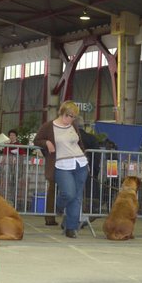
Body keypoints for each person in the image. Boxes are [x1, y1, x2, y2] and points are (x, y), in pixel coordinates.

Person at [34, 101, 88, 238]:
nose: (71, 119)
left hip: (80, 164)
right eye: (69, 116)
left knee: (76, 198)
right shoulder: (48, 126)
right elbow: (37, 140)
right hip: (61, 165)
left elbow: (79, 143)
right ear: (61, 112)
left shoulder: (73, 126)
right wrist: (46, 143)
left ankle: (71, 227)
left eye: (74, 117)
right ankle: (58, 206)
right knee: (69, 194)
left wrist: (85, 159)